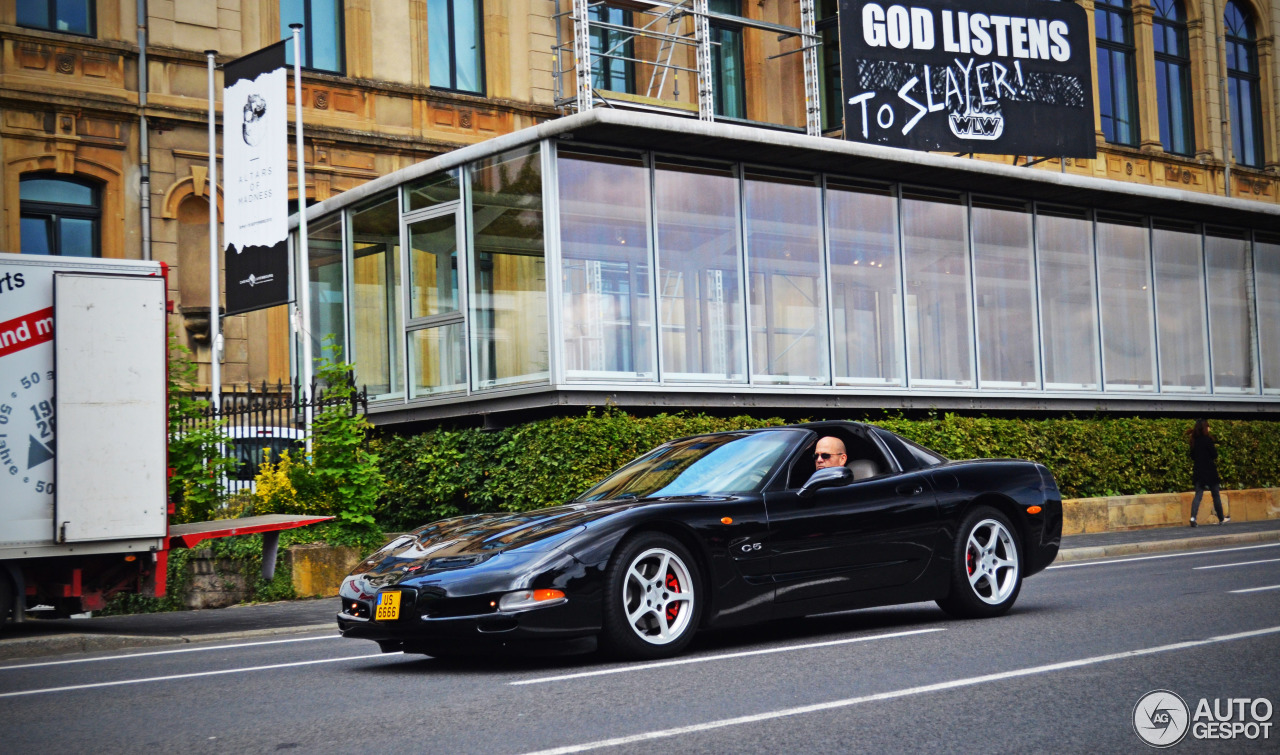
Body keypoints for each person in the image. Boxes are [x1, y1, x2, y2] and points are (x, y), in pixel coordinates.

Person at [1188, 419, 1228, 527]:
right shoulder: (1208, 440)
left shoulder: (1194, 441)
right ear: (1205, 428)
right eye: (1208, 426)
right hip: (1210, 471)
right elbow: (1214, 455)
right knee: (1215, 495)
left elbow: (1192, 456)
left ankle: (1193, 517)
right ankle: (1221, 518)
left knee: (1198, 495)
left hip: (1198, 471)